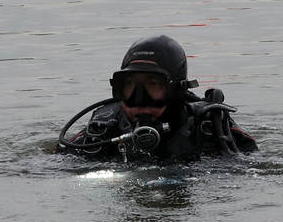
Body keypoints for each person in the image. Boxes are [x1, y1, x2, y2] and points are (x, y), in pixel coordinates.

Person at [56, 35, 257, 162]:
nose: (139, 100)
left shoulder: (211, 128)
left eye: (154, 85)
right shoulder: (105, 128)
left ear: (176, 90)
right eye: (129, 85)